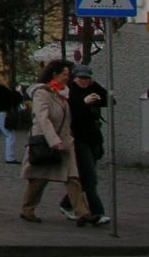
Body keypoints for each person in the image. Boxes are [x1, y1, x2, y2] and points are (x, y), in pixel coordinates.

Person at [20, 59, 92, 224]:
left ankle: (83, 213)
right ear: (55, 75)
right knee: (39, 178)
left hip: (65, 142)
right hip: (45, 142)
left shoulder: (62, 94)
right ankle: (27, 209)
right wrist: (53, 140)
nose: (68, 77)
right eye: (65, 74)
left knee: (73, 178)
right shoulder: (42, 93)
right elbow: (42, 118)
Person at [62, 64, 110, 225]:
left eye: (86, 78)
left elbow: (110, 101)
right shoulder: (70, 92)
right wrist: (85, 102)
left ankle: (67, 202)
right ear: (73, 78)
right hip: (78, 139)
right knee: (90, 178)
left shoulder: (92, 88)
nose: (83, 81)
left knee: (85, 176)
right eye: (80, 78)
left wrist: (95, 85)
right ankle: (98, 211)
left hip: (94, 138)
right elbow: (71, 113)